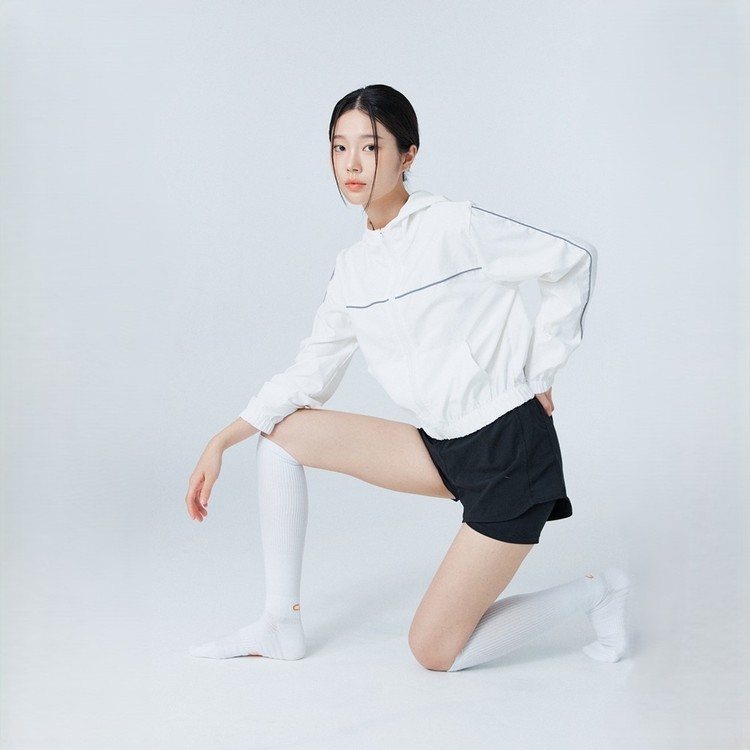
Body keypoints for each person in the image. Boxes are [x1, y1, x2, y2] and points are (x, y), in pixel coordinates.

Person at [185, 84, 629, 672]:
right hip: (441, 447)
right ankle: (279, 624)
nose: (352, 163)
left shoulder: (453, 225)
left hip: (509, 452)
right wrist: (222, 440)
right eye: (339, 147)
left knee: (433, 651)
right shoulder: (353, 270)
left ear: (407, 155)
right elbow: (310, 370)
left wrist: (542, 369)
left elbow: (573, 259)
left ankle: (599, 592)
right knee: (282, 435)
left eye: (370, 147)